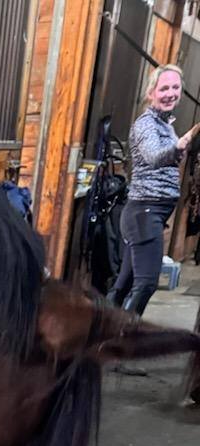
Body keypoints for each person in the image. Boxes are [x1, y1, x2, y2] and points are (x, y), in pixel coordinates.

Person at [107, 64, 200, 315]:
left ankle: (102, 327)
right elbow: (153, 156)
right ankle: (124, 333)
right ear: (151, 93)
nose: (170, 93)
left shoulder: (165, 124)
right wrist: (179, 146)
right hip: (145, 212)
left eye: (175, 88)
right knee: (146, 283)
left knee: (125, 284)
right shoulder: (146, 124)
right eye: (164, 88)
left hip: (148, 212)